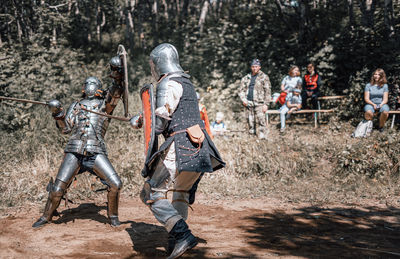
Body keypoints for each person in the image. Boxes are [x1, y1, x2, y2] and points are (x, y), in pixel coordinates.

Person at [131, 43, 225, 259]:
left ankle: (182, 235)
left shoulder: (168, 83)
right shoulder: (187, 82)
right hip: (200, 147)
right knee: (180, 193)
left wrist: (141, 121)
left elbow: (160, 126)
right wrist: (146, 116)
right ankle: (175, 242)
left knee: (150, 193)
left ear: (159, 63)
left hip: (180, 147)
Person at [32, 57, 126, 228]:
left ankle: (113, 216)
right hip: (74, 151)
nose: (90, 85)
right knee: (57, 189)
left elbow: (116, 93)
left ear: (98, 88)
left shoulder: (104, 106)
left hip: (95, 151)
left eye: (94, 83)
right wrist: (58, 114)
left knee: (115, 184)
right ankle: (46, 216)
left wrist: (117, 74)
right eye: (87, 83)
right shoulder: (75, 105)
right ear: (84, 88)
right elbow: (65, 129)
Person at [238, 58, 271, 139]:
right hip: (249, 102)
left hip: (260, 102)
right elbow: (241, 90)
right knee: (250, 121)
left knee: (261, 120)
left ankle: (262, 138)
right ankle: (252, 138)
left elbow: (268, 91)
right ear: (251, 67)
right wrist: (244, 100)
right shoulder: (246, 78)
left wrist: (266, 104)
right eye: (253, 66)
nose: (254, 68)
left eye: (256, 66)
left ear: (259, 67)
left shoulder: (264, 77)